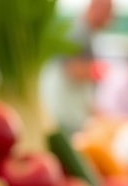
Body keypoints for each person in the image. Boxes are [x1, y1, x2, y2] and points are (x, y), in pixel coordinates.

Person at [38, 0, 113, 134]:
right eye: (109, 12)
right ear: (96, 8)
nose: (111, 18)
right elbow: (71, 68)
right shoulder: (79, 31)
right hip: (66, 112)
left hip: (70, 110)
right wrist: (98, 71)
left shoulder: (84, 31)